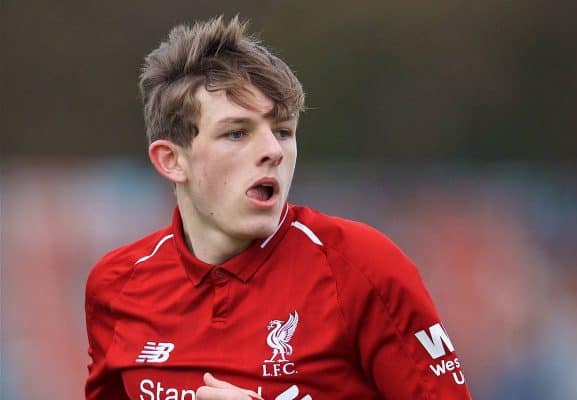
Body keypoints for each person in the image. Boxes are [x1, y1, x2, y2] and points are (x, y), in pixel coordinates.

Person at [84, 16, 472, 400]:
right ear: (172, 160)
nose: (272, 150)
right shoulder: (116, 286)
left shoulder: (362, 269)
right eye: (236, 133)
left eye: (283, 131)